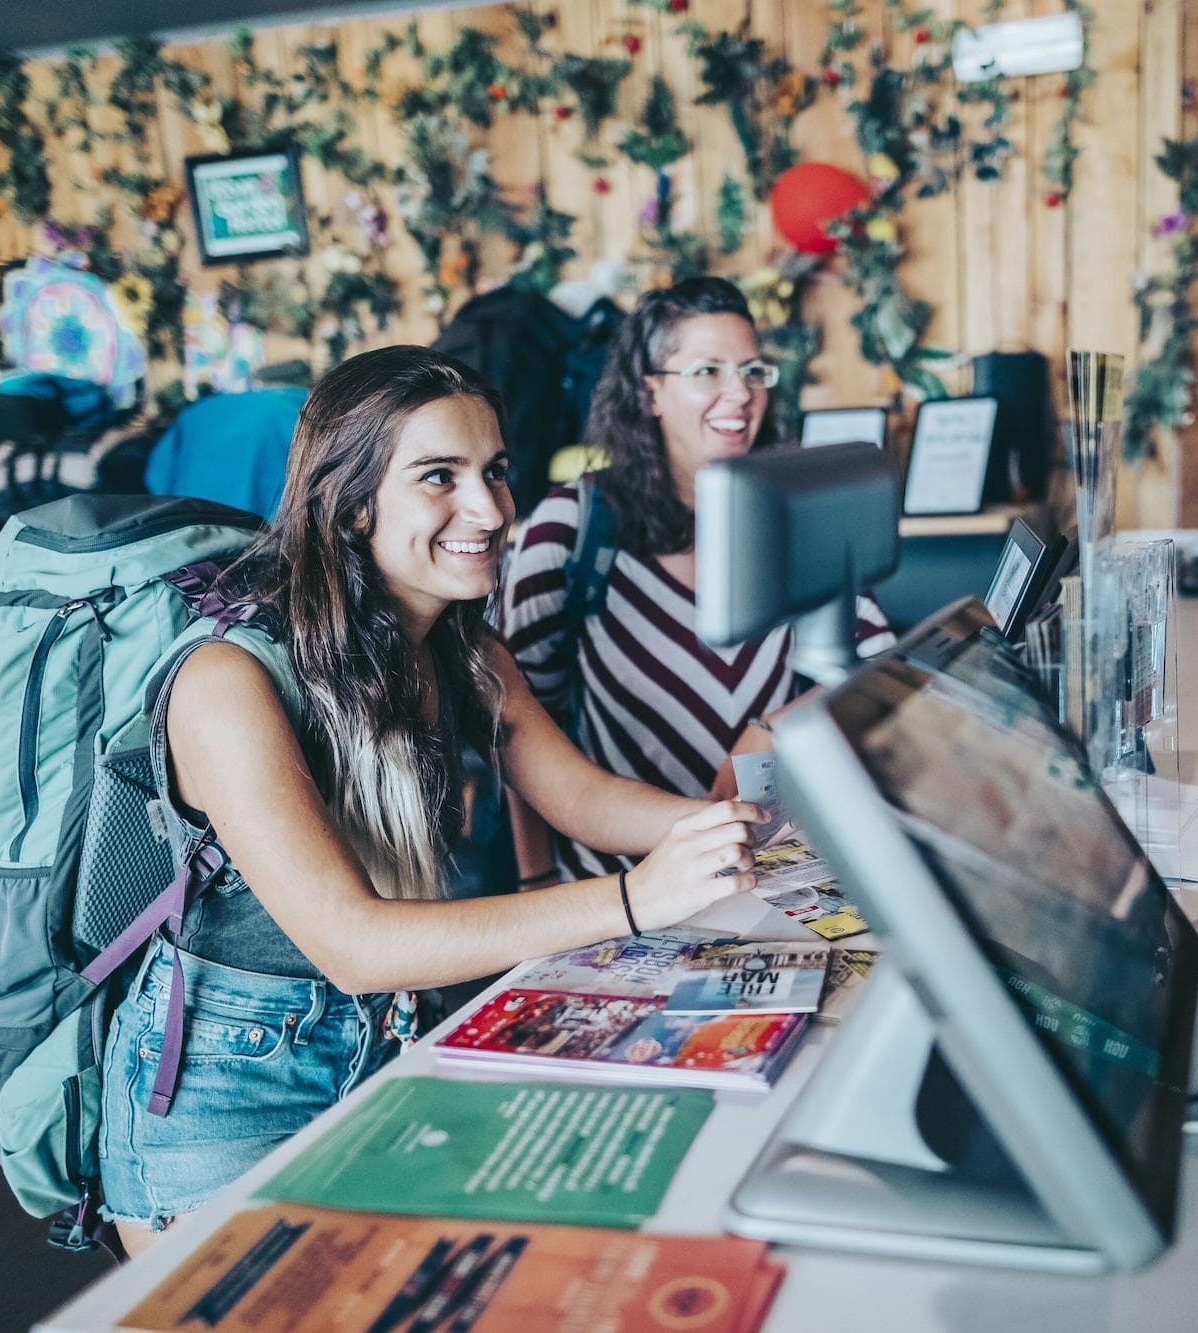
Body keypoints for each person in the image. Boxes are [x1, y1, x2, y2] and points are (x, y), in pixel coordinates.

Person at [99, 346, 760, 1254]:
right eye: (440, 477)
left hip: (384, 1046)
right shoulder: (227, 681)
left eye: (495, 472)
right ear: (352, 502)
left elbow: (578, 795)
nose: (489, 509)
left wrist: (733, 826)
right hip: (220, 1100)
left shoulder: (463, 651)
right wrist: (636, 898)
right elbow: (356, 946)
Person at [495, 277, 893, 882]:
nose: (739, 394)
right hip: (620, 885)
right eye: (708, 371)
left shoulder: (799, 511)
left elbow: (884, 669)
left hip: (764, 870)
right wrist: (535, 879)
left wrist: (774, 727)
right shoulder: (571, 525)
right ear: (649, 390)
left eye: (753, 372)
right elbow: (519, 725)